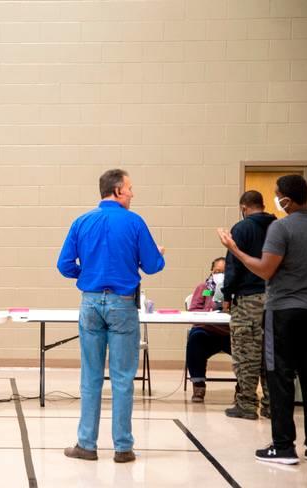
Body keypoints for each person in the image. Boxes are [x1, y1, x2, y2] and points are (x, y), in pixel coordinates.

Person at [218, 175, 307, 465]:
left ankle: (284, 445)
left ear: (285, 198)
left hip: (283, 310)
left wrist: (233, 248)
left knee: (280, 373)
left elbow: (265, 270)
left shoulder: (281, 228)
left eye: (276, 195)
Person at [57, 169, 165, 463]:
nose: (132, 193)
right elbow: (153, 266)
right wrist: (158, 253)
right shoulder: (134, 222)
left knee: (90, 376)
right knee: (122, 377)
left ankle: (87, 444)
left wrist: (87, 274)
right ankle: (122, 447)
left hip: (90, 303)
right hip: (122, 304)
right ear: (117, 191)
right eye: (129, 188)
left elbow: (64, 265)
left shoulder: (81, 222)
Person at [221, 190, 276, 420]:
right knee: (271, 354)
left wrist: (226, 294)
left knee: (246, 354)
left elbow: (234, 265)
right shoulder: (278, 226)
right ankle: (272, 405)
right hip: (274, 298)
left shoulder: (241, 228)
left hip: (248, 299)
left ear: (244, 207)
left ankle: (246, 404)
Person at [186, 257, 230, 403]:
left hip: (230, 332)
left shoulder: (235, 288)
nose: (220, 274)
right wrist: (209, 309)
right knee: (195, 338)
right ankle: (198, 385)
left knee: (247, 343)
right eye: (217, 271)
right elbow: (193, 310)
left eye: (223, 272)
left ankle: (243, 389)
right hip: (208, 330)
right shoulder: (204, 288)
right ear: (211, 271)